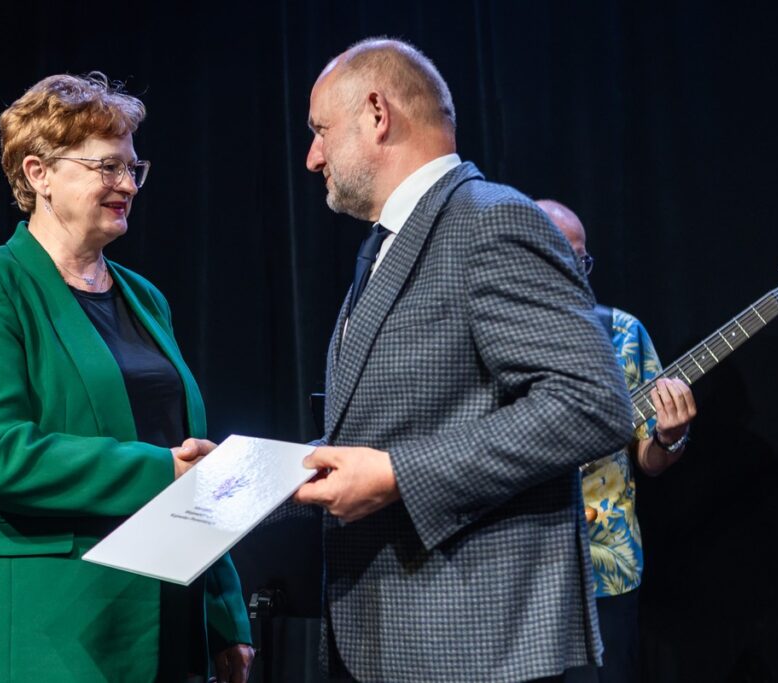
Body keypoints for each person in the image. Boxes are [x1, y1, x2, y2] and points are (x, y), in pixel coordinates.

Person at [292, 39, 635, 682]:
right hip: (394, 639)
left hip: (475, 646)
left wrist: (399, 474)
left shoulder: (491, 221)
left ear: (376, 114)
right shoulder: (391, 243)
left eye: (319, 130)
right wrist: (258, 477)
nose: (312, 156)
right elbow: (390, 428)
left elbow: (592, 403)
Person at [0, 72, 253, 683]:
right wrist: (161, 471)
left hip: (168, 619)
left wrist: (224, 614)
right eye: (107, 167)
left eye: (134, 168)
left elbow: (193, 461)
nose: (127, 185)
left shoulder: (145, 298)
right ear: (38, 173)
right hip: (50, 627)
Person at [536, 199, 697, 683]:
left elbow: (647, 458)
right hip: (519, 576)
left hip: (606, 571)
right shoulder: (492, 334)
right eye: (563, 255)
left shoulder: (623, 333)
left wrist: (669, 438)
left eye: (582, 259)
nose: (576, 270)